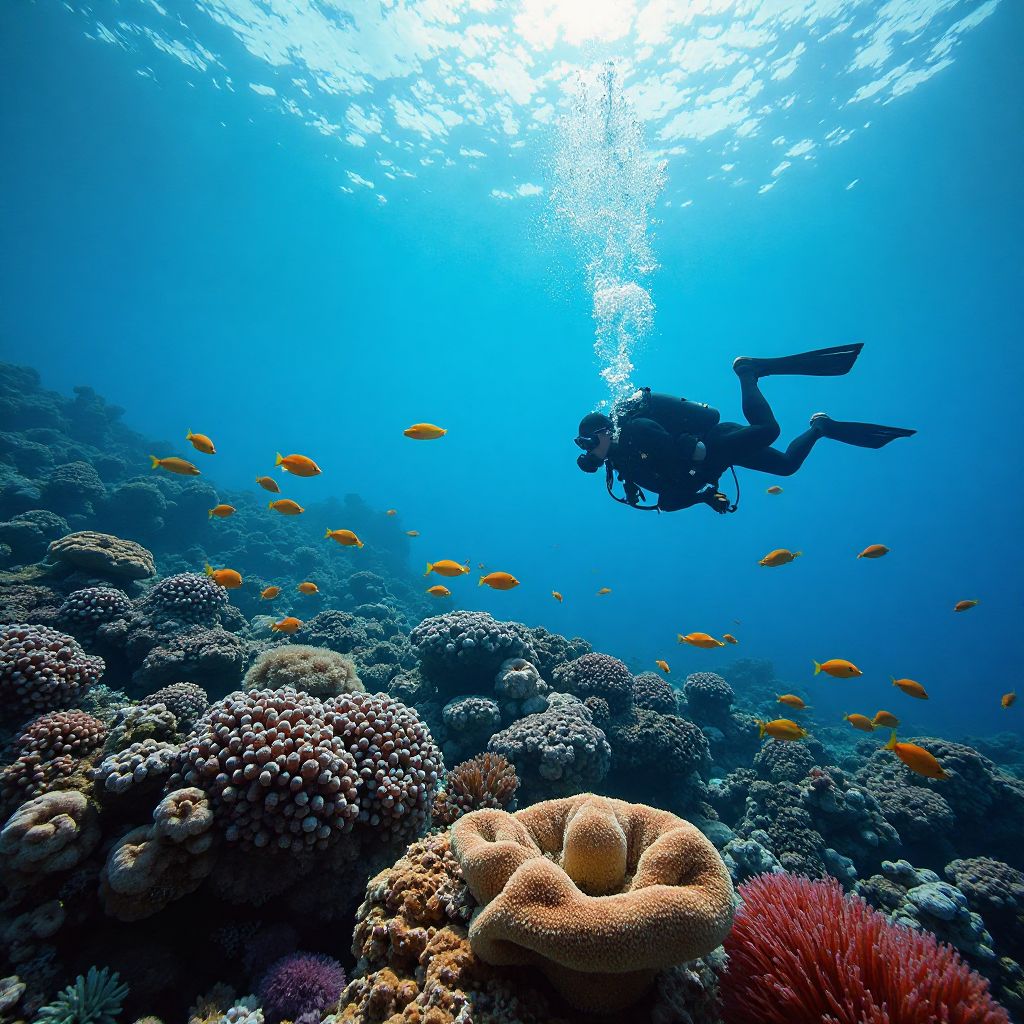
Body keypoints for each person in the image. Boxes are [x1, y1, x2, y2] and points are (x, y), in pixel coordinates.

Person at [574, 343, 915, 513]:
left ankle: (748, 372)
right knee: (786, 466)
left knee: (769, 431)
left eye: (588, 442)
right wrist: (705, 498)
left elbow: (668, 445)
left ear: (604, 432)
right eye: (584, 447)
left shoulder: (634, 432)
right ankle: (820, 427)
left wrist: (692, 462)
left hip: (715, 444)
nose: (588, 451)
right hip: (711, 464)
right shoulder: (621, 466)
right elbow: (666, 502)